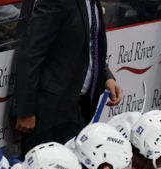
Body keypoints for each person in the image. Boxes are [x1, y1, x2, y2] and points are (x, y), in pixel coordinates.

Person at [12, 0, 124, 155]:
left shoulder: (92, 3)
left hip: (79, 106)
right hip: (49, 112)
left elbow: (90, 47)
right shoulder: (57, 2)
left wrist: (106, 76)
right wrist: (25, 111)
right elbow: (31, 55)